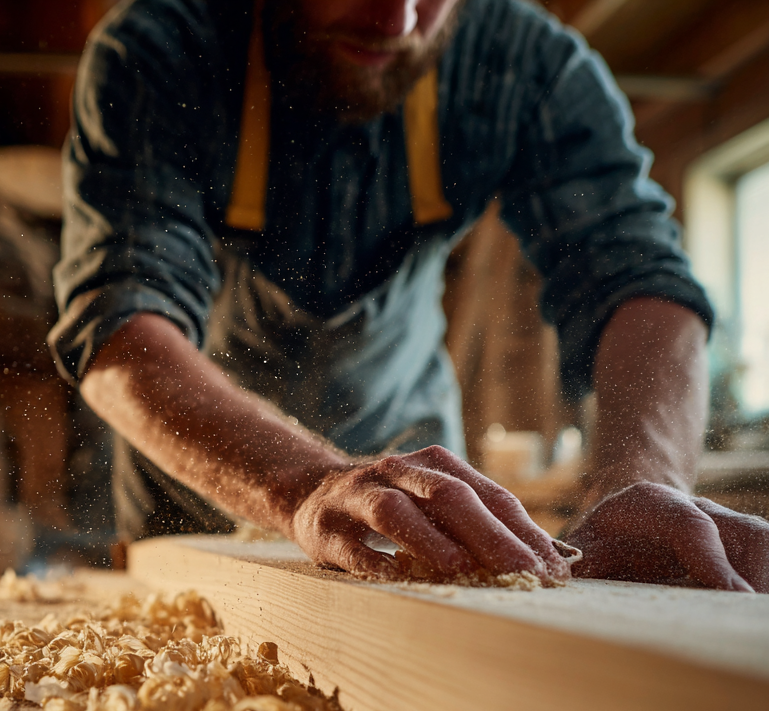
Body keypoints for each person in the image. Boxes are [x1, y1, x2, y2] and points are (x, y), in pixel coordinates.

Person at [48, 0, 769, 592]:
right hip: (202, 504)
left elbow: (640, 279)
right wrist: (301, 487)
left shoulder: (521, 63)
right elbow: (119, 328)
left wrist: (639, 483)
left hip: (425, 502)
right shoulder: (159, 49)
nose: (395, 21)